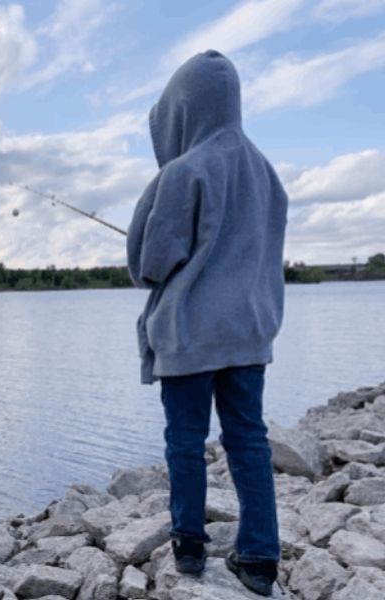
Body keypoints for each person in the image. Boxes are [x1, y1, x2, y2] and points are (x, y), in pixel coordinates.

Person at [126, 49, 288, 597]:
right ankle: (261, 559)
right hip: (249, 333)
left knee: (185, 441)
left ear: (181, 110)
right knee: (249, 441)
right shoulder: (266, 171)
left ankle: (190, 546)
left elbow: (151, 264)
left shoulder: (183, 171)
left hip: (191, 335)